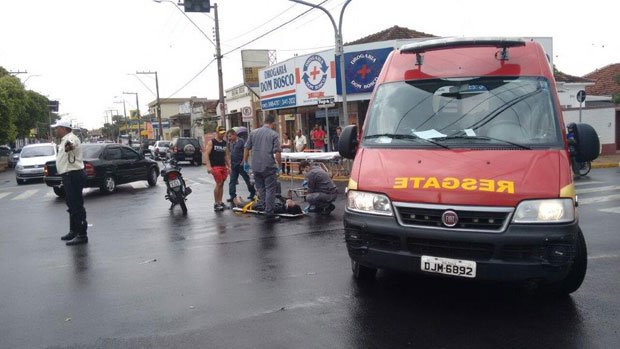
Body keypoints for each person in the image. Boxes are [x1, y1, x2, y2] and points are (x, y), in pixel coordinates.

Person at [53, 120, 89, 246]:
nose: (55, 130)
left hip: (73, 174)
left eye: (57, 128)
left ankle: (82, 234)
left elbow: (72, 145)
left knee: (76, 205)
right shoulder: (64, 139)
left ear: (64, 128)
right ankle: (73, 231)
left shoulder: (71, 138)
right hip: (68, 175)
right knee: (71, 204)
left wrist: (70, 146)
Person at [243, 114, 282, 223]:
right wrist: (279, 166)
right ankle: (269, 213)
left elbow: (246, 148)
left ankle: (264, 207)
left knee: (261, 188)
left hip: (255, 166)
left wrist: (246, 162)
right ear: (272, 123)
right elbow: (277, 152)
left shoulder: (253, 132)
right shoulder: (273, 134)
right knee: (270, 189)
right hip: (268, 166)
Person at [205, 126, 231, 211]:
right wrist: (208, 166)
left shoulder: (224, 143)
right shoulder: (211, 142)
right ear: (217, 133)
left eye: (224, 133)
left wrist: (229, 166)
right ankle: (216, 203)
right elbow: (206, 154)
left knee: (222, 184)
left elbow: (226, 155)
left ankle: (220, 202)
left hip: (223, 166)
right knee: (219, 183)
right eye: (221, 133)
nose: (223, 134)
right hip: (215, 166)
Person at [227, 129, 256, 203]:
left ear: (235, 135)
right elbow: (230, 152)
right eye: (228, 137)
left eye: (230, 136)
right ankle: (232, 196)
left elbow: (245, 151)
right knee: (232, 181)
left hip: (241, 164)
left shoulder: (241, 141)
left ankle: (252, 193)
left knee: (247, 179)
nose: (229, 138)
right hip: (233, 164)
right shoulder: (230, 142)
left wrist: (244, 161)